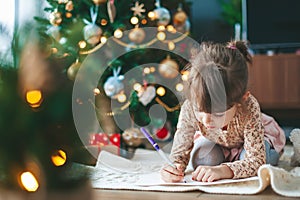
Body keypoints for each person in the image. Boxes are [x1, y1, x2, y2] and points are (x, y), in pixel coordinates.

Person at [160, 40, 286, 183]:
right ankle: (230, 159)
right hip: (219, 142)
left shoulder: (249, 107)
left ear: (241, 100)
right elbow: (180, 150)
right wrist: (174, 167)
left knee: (261, 164)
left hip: (255, 141)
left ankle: (234, 161)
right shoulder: (190, 105)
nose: (206, 121)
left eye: (218, 113)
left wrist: (224, 170)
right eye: (199, 110)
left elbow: (256, 160)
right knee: (202, 161)